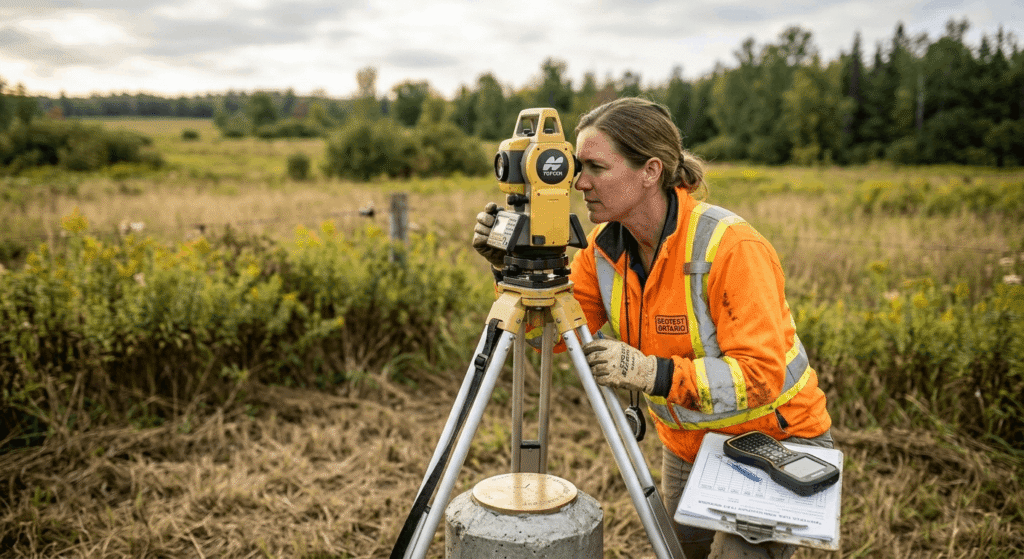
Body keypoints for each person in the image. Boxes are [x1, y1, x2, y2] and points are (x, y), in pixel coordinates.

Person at [473, 97, 833, 559]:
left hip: (774, 442)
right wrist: (513, 273)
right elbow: (550, 340)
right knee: (678, 552)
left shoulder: (730, 247)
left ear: (651, 170)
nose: (579, 182)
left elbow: (760, 377)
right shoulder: (603, 251)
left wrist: (652, 374)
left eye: (596, 167)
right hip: (687, 446)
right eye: (576, 167)